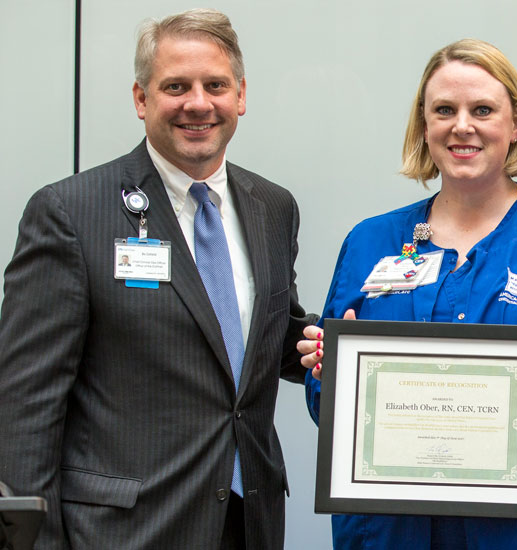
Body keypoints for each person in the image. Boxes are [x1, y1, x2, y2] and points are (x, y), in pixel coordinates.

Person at [298, 39, 517, 549]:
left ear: (516, 125)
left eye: (482, 109)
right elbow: (328, 402)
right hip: (394, 532)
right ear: (424, 125)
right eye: (444, 110)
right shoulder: (369, 243)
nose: (463, 126)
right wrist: (329, 373)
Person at [0, 9, 315, 549]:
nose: (198, 103)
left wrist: (339, 347)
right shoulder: (71, 212)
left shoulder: (272, 207)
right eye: (176, 86)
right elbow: (25, 404)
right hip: (124, 531)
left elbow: (259, 336)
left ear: (240, 95)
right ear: (142, 99)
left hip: (248, 522)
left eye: (215, 85)